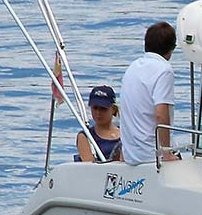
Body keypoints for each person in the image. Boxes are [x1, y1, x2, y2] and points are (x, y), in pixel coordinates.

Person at [120, 21, 180, 165]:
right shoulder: (164, 70)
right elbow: (161, 113)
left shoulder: (133, 67)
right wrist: (166, 153)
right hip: (151, 155)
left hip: (130, 153)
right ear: (171, 49)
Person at [76, 85, 121, 162]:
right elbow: (89, 167)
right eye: (95, 108)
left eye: (103, 109)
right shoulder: (85, 137)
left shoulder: (125, 134)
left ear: (113, 109)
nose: (98, 113)